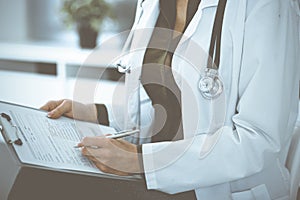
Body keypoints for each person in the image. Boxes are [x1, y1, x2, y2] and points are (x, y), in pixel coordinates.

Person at [41, 0, 300, 199]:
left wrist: (141, 161)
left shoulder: (266, 6)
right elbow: (162, 104)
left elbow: (259, 139)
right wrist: (95, 113)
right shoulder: (152, 3)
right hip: (156, 184)